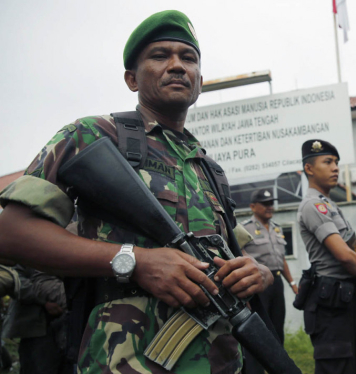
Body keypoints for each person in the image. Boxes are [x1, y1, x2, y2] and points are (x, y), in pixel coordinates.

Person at [0, 10, 273, 373]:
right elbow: (12, 233)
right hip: (126, 359)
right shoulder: (93, 137)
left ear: (199, 81)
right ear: (131, 79)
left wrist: (258, 272)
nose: (177, 65)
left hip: (219, 360)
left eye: (188, 58)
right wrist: (135, 261)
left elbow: (245, 252)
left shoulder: (209, 169)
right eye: (160, 56)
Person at [297, 139, 356, 374]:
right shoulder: (313, 205)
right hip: (329, 303)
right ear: (309, 169)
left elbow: (351, 254)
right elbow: (344, 255)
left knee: (352, 366)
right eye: (328, 162)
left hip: (343, 297)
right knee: (337, 367)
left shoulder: (329, 205)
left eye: (336, 162)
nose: (335, 167)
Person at [240, 188, 298, 374]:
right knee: (256, 331)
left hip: (277, 283)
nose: (269, 207)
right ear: (252, 206)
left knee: (276, 328)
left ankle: (277, 368)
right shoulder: (244, 228)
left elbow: (281, 260)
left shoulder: (276, 228)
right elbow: (236, 254)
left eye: (271, 203)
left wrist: (292, 283)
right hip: (257, 287)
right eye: (265, 204)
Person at [2, 265, 68, 374]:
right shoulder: (25, 253)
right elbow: (14, 280)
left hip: (66, 325)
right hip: (35, 328)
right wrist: (43, 300)